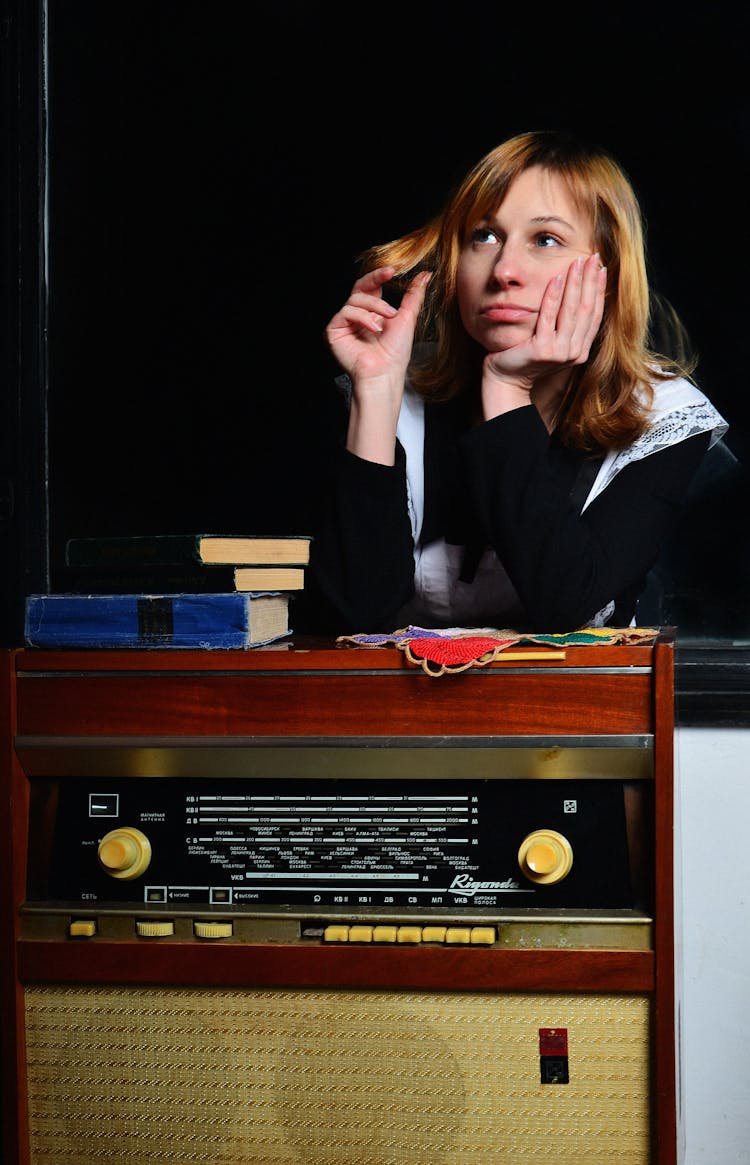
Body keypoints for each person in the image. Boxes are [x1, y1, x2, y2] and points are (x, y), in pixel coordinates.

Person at [302, 130, 728, 635]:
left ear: (608, 272)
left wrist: (506, 390)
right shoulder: (395, 384)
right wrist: (375, 392)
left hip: (580, 706)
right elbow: (351, 617)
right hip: (390, 710)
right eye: (483, 236)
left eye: (545, 240)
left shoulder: (664, 413)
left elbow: (566, 606)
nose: (504, 270)